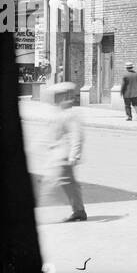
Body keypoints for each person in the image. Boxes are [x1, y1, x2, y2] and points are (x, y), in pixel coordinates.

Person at [45, 81, 87, 223]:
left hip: (64, 156)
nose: (56, 99)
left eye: (58, 96)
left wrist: (74, 155)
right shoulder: (59, 113)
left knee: (51, 184)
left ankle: (45, 213)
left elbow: (77, 136)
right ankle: (79, 211)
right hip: (58, 154)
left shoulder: (70, 114)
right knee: (70, 184)